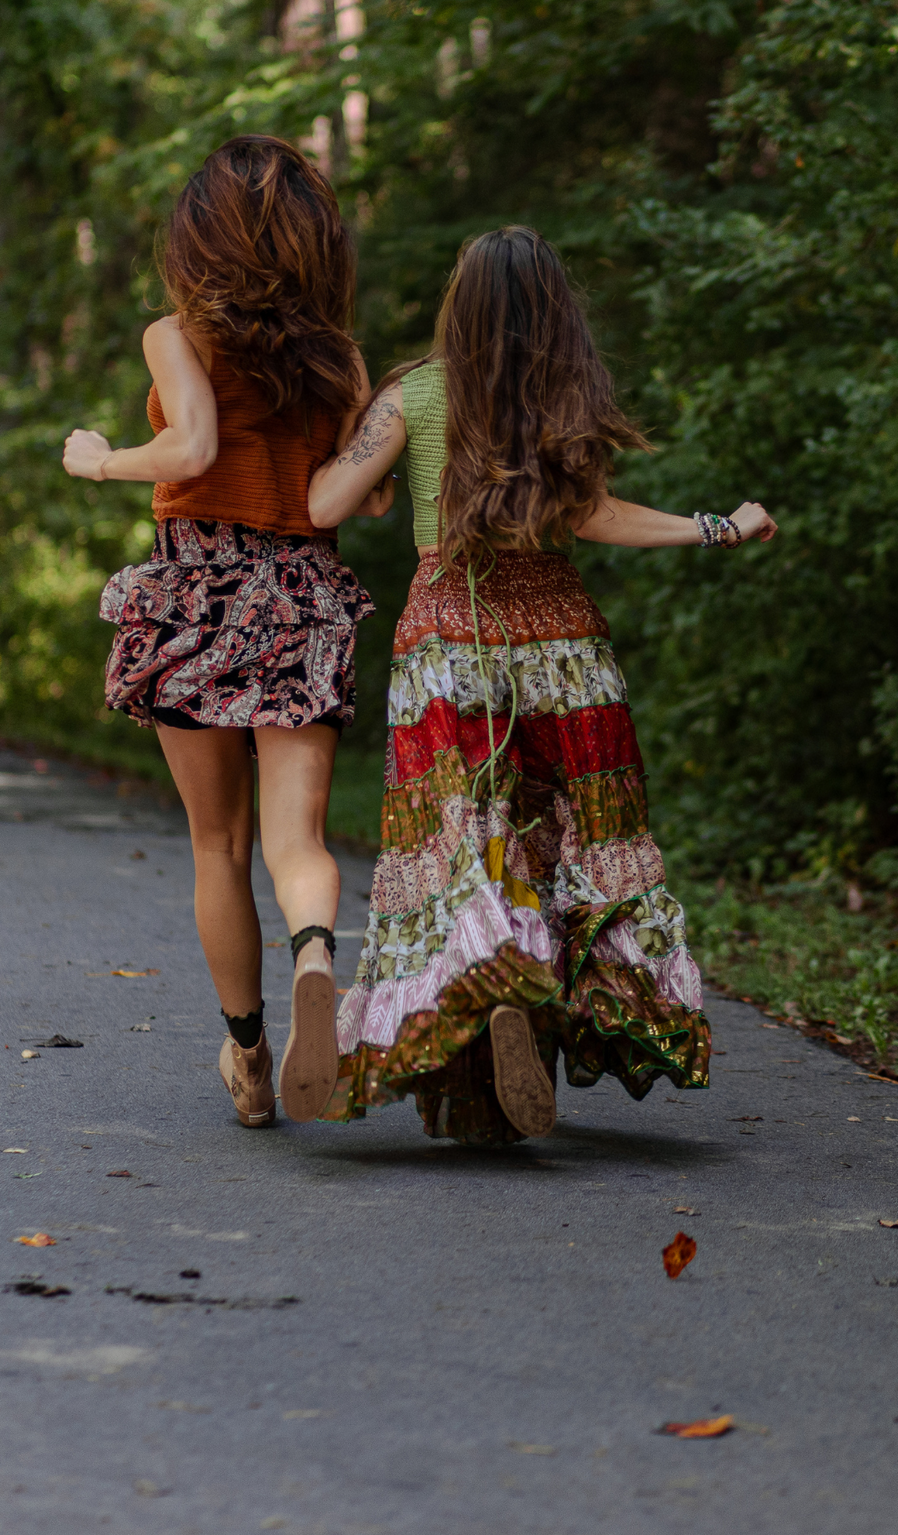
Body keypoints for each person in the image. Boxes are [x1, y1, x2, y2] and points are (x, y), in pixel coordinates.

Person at [307, 225, 776, 1144]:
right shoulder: (560, 404)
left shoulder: (412, 395)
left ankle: (489, 1012)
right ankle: (530, 1025)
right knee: (572, 839)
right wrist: (717, 526)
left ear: (459, 300)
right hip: (561, 641)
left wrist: (366, 469)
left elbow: (325, 505)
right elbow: (599, 517)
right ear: (556, 311)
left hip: (451, 639)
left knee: (461, 844)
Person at [62, 137, 383, 1129]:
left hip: (195, 587)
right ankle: (318, 957)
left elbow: (193, 444)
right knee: (296, 836)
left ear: (200, 240)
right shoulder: (340, 359)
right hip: (299, 589)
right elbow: (357, 501)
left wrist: (102, 458)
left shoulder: (176, 335)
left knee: (218, 842)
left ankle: (247, 1056)